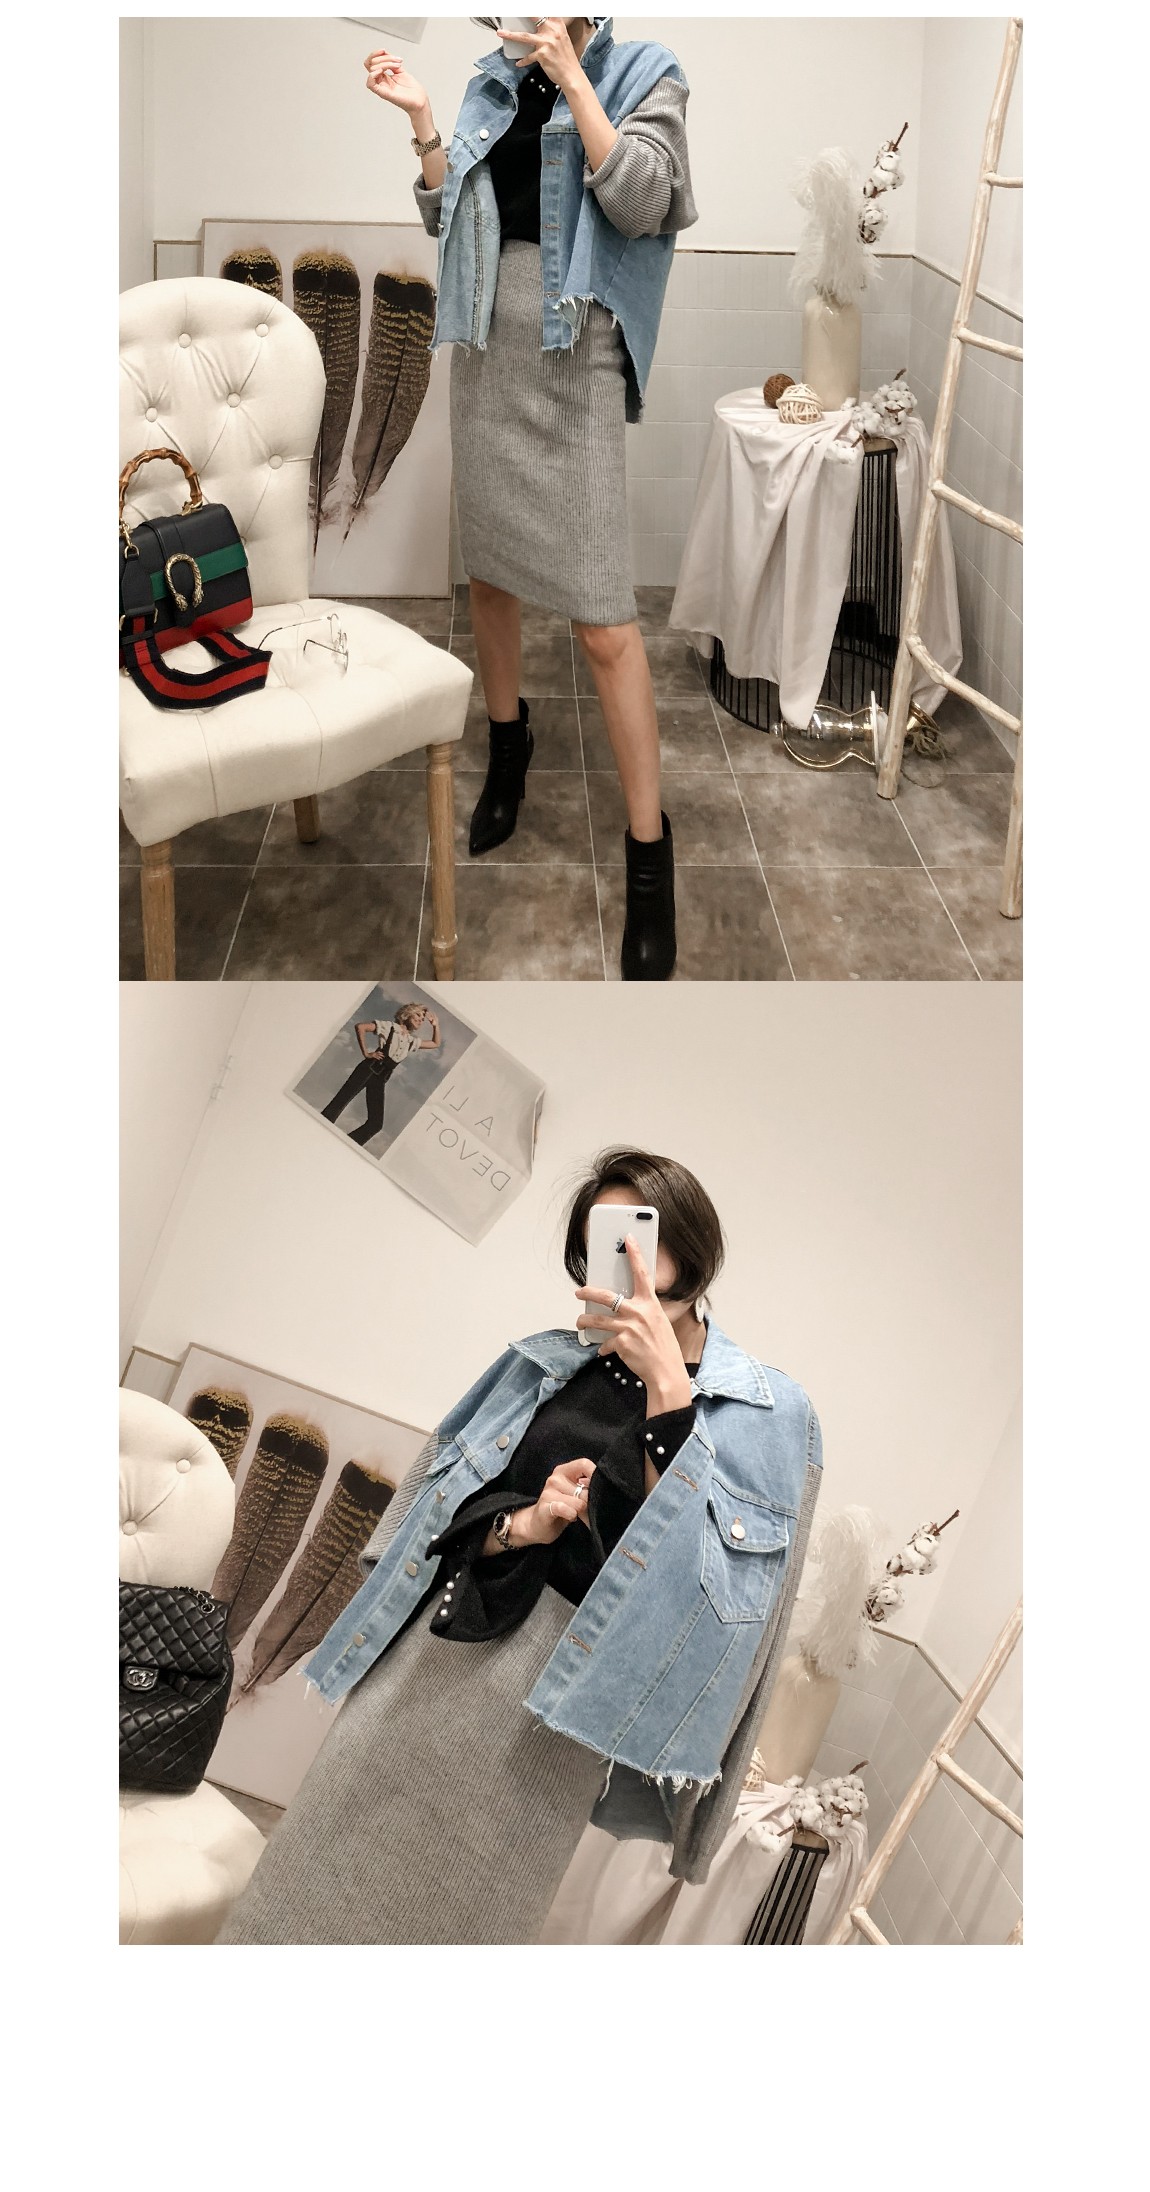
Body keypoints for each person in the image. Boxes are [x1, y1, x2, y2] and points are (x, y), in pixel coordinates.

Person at [216, 1148, 823, 1945]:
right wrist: (521, 1524)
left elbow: (708, 1600)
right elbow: (433, 1523)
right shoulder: (538, 1365)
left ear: (693, 1249)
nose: (628, 1257)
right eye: (606, 1237)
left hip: (555, 1720)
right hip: (433, 1663)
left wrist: (670, 1393)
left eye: (645, 1234)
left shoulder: (771, 1420)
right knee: (305, 1891)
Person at [363, 17, 698, 980]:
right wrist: (425, 121)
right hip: (485, 350)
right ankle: (508, 748)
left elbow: (642, 200)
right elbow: (448, 218)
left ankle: (649, 856)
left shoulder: (646, 71)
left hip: (575, 352)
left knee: (604, 624)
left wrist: (571, 76)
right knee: (492, 577)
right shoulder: (489, 79)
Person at [320, 1001, 441, 1147]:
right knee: (338, 1104)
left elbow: (435, 1043)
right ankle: (316, 1134)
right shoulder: (389, 1027)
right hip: (368, 1069)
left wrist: (435, 1026)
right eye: (418, 1015)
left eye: (423, 1019)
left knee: (376, 1124)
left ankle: (344, 1147)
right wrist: (366, 1053)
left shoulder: (411, 1041)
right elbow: (361, 1027)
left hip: (381, 1079)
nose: (421, 1020)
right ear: (408, 1013)